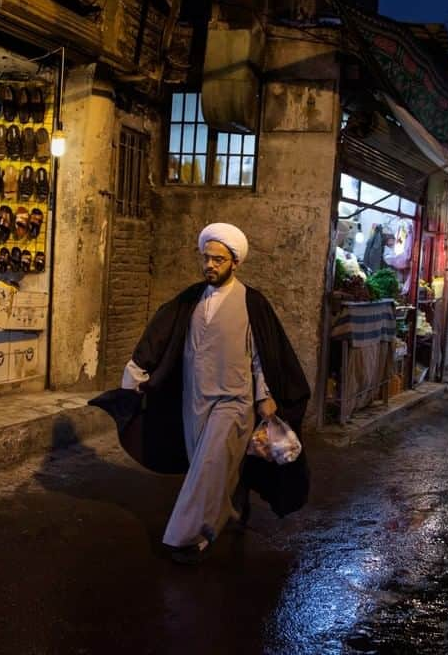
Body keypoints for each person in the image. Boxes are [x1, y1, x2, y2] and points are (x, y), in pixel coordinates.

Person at [90, 223, 311, 564]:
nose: (210, 265)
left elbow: (261, 355)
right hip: (194, 400)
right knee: (207, 465)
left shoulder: (252, 302)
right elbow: (159, 334)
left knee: (208, 464)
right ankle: (234, 508)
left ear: (235, 262)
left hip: (234, 403)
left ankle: (187, 537)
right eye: (206, 258)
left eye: (218, 260)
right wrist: (134, 375)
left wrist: (263, 394)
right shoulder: (191, 299)